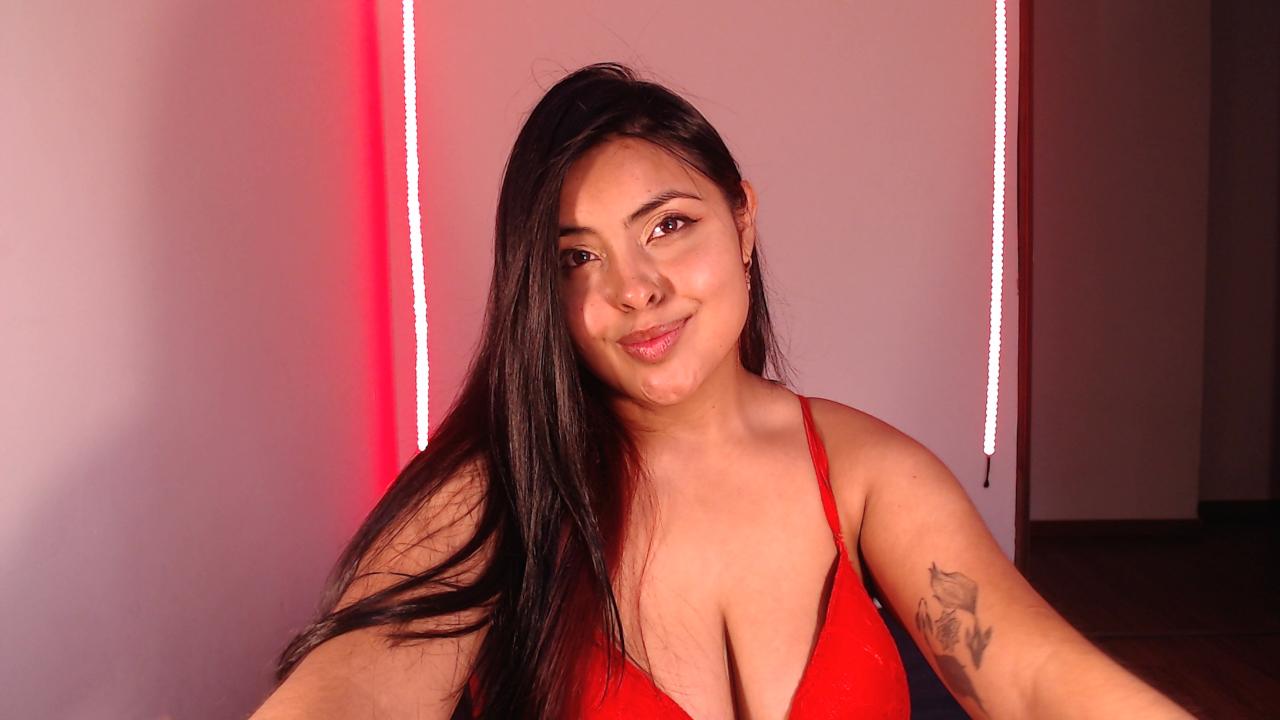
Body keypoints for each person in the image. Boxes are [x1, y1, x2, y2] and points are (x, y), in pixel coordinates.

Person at [248, 62, 1190, 720]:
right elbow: (353, 688)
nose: (635, 290)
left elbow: (1031, 679)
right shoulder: (496, 491)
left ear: (742, 221)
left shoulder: (866, 474)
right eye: (578, 258)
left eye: (667, 226)